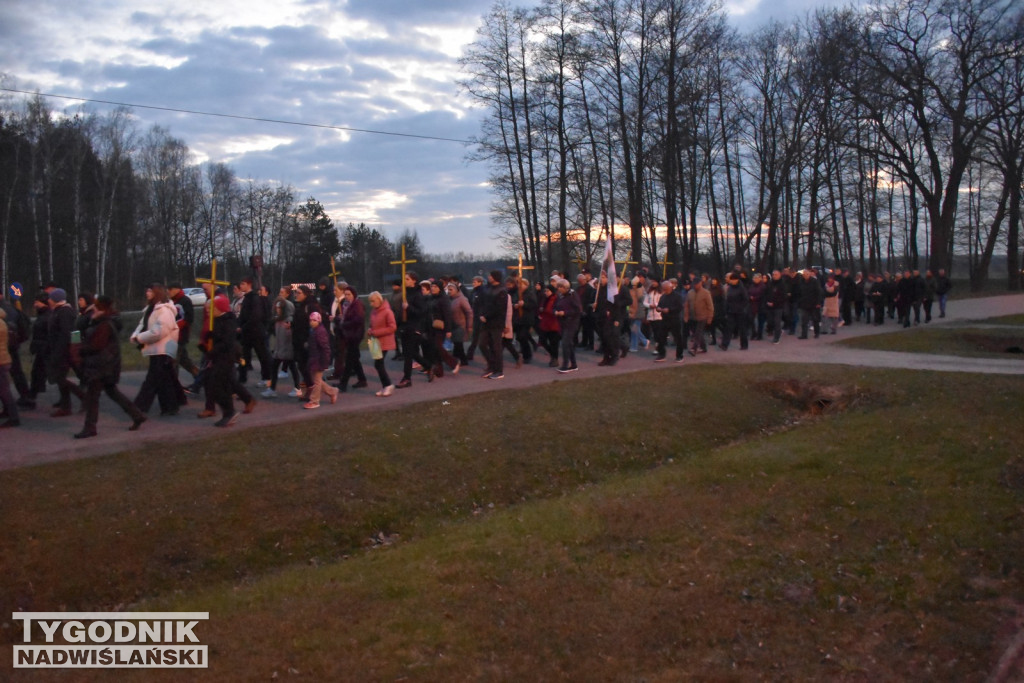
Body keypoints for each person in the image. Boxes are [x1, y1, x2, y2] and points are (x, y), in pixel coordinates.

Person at [74, 295, 147, 438]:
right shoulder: (95, 320)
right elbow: (79, 328)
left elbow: (96, 344)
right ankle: (136, 415)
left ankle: (90, 427)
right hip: (103, 364)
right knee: (112, 392)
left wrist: (81, 349)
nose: (92, 307)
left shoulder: (104, 324)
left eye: (96, 305)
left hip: (101, 365)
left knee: (93, 396)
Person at [130, 283, 182, 416]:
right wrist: (136, 336)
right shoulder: (151, 309)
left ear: (157, 293)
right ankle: (171, 406)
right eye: (147, 290)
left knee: (151, 380)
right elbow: (143, 324)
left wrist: (140, 338)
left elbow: (159, 331)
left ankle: (138, 408)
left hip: (162, 349)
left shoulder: (164, 310)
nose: (147, 293)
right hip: (156, 349)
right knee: (164, 380)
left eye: (150, 291)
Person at [45, 288, 86, 417]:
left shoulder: (64, 312)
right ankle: (66, 406)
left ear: (55, 299)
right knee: (60, 379)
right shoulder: (58, 311)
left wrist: (59, 352)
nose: (48, 300)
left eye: (50, 298)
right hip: (60, 350)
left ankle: (83, 398)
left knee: (60, 378)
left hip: (64, 351)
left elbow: (66, 334)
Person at [263, 286, 300, 398]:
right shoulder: (277, 320)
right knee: (275, 368)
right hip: (279, 349)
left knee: (293, 368)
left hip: (287, 349)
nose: (277, 309)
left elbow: (290, 335)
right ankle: (272, 388)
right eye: (277, 307)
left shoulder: (289, 321)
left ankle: (297, 388)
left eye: (280, 308)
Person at [237, 276, 271, 387]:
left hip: (256, 333)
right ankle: (242, 378)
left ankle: (267, 377)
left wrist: (243, 327)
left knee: (262, 356)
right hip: (247, 333)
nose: (240, 286)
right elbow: (243, 315)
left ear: (248, 284)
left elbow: (255, 316)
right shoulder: (247, 298)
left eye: (242, 284)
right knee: (243, 356)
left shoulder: (254, 298)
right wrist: (238, 324)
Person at [337, 286, 369, 391]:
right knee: (354, 358)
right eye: (345, 294)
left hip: (355, 334)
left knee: (350, 359)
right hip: (349, 334)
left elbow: (358, 319)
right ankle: (362, 379)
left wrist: (345, 324)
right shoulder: (347, 305)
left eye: (348, 294)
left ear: (353, 294)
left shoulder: (357, 304)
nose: (346, 297)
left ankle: (343, 384)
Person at [478, 270, 508, 380]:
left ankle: (499, 370)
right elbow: (483, 303)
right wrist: (482, 314)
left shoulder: (502, 291)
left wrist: (486, 316)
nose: (488, 277)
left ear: (495, 277)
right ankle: (491, 365)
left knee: (496, 347)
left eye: (490, 275)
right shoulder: (487, 288)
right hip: (486, 322)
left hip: (496, 322)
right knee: (482, 344)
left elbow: (499, 308)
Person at [305, 311, 338, 409]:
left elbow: (325, 348)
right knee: (316, 380)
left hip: (319, 360)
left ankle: (315, 400)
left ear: (319, 321)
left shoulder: (320, 332)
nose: (312, 322)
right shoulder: (313, 331)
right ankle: (332, 391)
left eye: (314, 320)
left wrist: (325, 361)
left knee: (317, 381)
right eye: (310, 320)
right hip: (314, 358)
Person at [366, 291, 397, 397]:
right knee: (377, 364)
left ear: (379, 300)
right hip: (374, 341)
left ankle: (388, 385)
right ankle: (385, 385)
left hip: (384, 341)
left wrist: (376, 332)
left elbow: (392, 327)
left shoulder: (388, 312)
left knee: (379, 364)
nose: (371, 304)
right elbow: (372, 324)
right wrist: (370, 330)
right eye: (370, 302)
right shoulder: (374, 312)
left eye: (373, 301)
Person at [553, 278, 581, 373]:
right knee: (569, 344)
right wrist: (555, 312)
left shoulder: (572, 295)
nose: (559, 289)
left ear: (566, 287)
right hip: (562, 322)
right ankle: (574, 364)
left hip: (571, 322)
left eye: (561, 287)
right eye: (558, 287)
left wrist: (565, 313)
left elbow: (577, 310)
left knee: (565, 343)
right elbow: (555, 306)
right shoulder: (559, 296)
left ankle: (565, 365)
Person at [0, 307, 19, 428]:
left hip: (1, 360)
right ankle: (8, 412)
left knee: (4, 390)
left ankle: (13, 417)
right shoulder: (2, 322)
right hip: (4, 358)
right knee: (3, 389)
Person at [719, 272, 748, 351]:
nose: (731, 281)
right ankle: (724, 345)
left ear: (736, 280)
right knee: (728, 328)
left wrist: (740, 307)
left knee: (742, 329)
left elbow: (745, 300)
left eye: (732, 280)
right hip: (731, 311)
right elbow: (727, 300)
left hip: (740, 312)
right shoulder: (730, 288)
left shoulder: (742, 288)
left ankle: (744, 345)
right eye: (730, 279)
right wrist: (726, 309)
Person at [684, 278, 713, 355]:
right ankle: (703, 347)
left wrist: (710, 317)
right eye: (694, 284)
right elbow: (686, 305)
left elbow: (710, 306)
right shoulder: (690, 293)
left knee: (698, 333)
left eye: (697, 284)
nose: (695, 286)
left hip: (702, 317)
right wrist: (686, 316)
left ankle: (694, 348)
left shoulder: (706, 293)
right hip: (692, 317)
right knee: (696, 333)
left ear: (700, 283)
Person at [447, 282, 473, 367]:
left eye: (451, 289)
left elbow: (469, 312)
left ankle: (457, 360)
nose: (449, 291)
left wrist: (469, 326)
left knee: (458, 343)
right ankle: (459, 360)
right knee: (457, 343)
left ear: (457, 290)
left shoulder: (462, 299)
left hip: (460, 325)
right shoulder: (450, 299)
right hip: (453, 325)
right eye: (448, 289)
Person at [536, 283, 561, 367]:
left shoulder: (555, 299)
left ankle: (555, 358)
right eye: (545, 291)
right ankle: (553, 355)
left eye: (547, 291)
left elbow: (553, 310)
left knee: (554, 343)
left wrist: (545, 310)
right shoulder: (545, 299)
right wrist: (541, 310)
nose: (546, 292)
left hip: (553, 324)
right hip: (545, 323)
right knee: (543, 340)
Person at [797, 269, 823, 339]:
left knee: (815, 319)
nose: (805, 276)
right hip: (804, 304)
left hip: (814, 303)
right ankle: (804, 335)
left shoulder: (814, 281)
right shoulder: (801, 282)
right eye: (804, 274)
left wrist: (818, 302)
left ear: (809, 274)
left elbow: (819, 292)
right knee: (804, 320)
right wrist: (800, 301)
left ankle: (817, 333)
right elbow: (799, 292)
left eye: (807, 274)